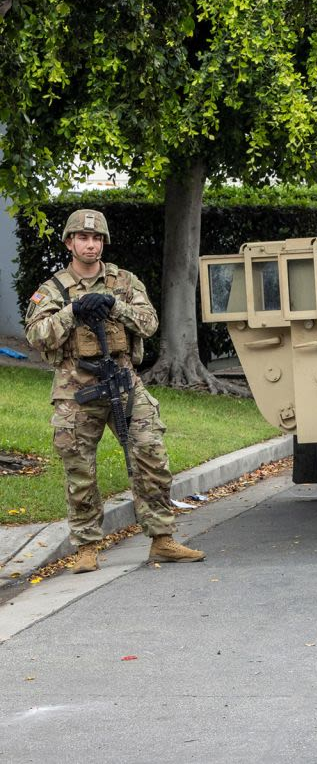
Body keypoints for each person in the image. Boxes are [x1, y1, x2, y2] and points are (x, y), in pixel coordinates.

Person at [23, 209, 205, 572]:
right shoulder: (53, 289)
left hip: (123, 382)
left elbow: (150, 323)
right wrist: (73, 310)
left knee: (150, 454)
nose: (90, 245)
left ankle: (162, 539)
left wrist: (115, 305)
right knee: (79, 468)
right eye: (83, 238)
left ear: (102, 243)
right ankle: (87, 547)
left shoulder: (123, 281)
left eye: (96, 239)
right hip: (76, 388)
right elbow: (36, 335)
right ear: (69, 243)